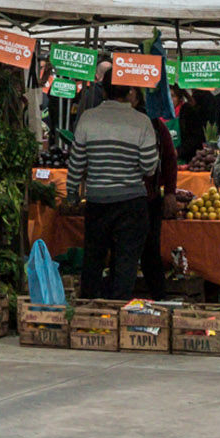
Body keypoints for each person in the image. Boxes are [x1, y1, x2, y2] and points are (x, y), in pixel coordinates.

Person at [66, 74, 160, 300]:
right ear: (130, 92)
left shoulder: (88, 118)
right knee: (126, 261)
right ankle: (120, 308)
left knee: (93, 259)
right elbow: (149, 168)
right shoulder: (141, 121)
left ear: (104, 91)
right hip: (131, 203)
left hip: (97, 201)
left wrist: (72, 194)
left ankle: (89, 308)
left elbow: (76, 163)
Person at [121, 84, 178, 300]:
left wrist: (170, 191)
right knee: (123, 252)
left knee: (150, 251)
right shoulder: (111, 121)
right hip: (122, 197)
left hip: (148, 197)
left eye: (131, 93)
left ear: (137, 97)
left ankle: (159, 298)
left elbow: (169, 157)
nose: (128, 97)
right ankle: (119, 300)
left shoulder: (153, 123)